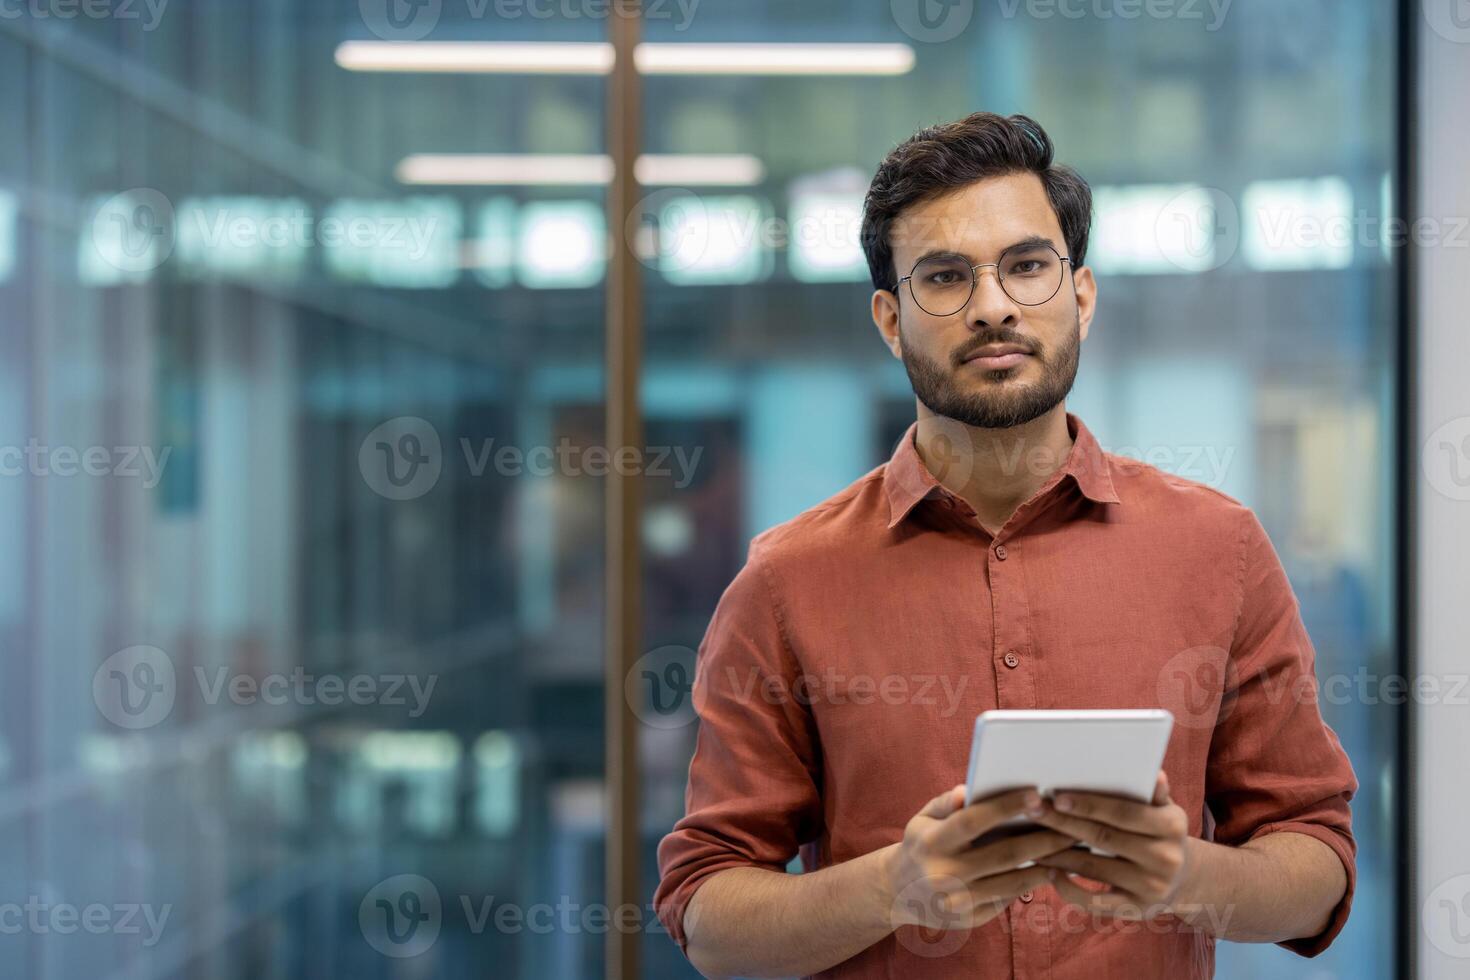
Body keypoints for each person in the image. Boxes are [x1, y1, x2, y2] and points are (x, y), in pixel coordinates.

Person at [653, 112, 1356, 979]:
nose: (993, 307)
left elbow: (1317, 868)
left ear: (1081, 296)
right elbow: (709, 916)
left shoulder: (1220, 548)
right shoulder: (786, 581)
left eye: (1026, 266)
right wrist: (893, 889)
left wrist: (1183, 875)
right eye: (945, 278)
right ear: (889, 320)